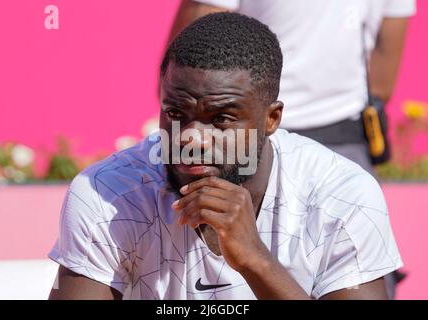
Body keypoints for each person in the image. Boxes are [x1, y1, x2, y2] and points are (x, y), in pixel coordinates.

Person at [49, 13, 402, 300]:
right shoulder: (110, 193)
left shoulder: (341, 194)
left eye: (220, 119)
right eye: (175, 113)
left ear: (271, 119)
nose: (191, 138)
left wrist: (255, 259)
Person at [166, 0, 415, 299]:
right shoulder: (349, 184)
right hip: (272, 132)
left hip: (258, 133)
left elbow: (190, 68)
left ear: (274, 118)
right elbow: (383, 77)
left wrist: (229, 118)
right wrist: (229, 118)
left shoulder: (347, 187)